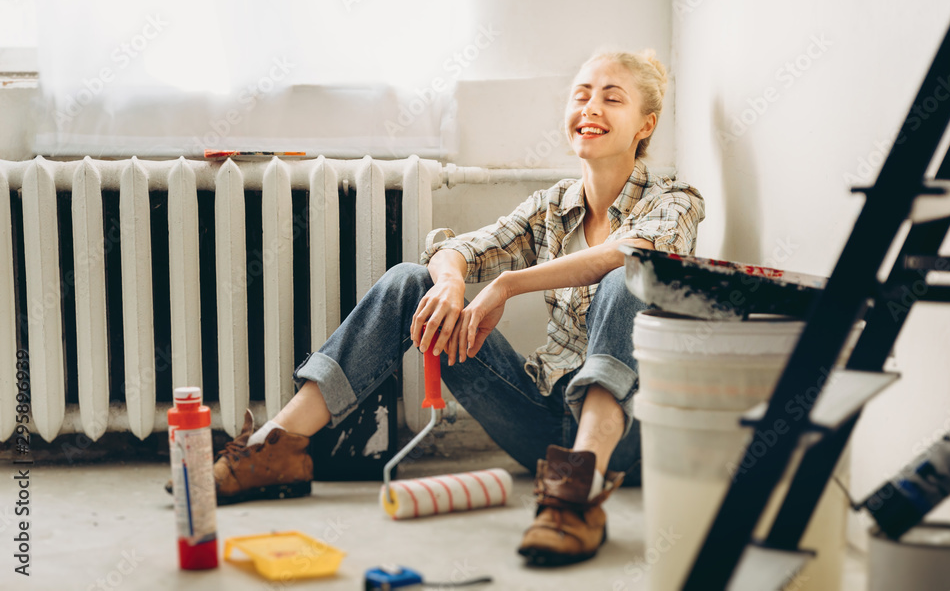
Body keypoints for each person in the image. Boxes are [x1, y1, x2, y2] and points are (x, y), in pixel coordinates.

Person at [169, 47, 705, 566]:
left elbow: (629, 255)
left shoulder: (676, 200)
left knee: (624, 279)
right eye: (581, 95)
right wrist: (449, 282)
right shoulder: (553, 205)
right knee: (412, 281)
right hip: (539, 419)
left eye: (612, 98)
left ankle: (575, 496)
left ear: (646, 125)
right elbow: (458, 248)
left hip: (630, 433)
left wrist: (505, 285)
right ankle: (276, 448)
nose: (590, 108)